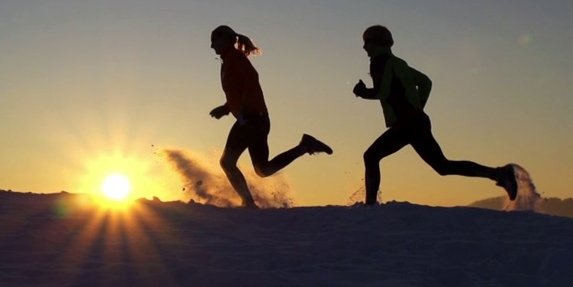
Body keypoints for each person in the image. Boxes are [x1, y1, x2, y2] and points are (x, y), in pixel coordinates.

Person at [352, 25, 518, 206]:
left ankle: (370, 207)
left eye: (366, 42)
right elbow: (425, 82)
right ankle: (498, 174)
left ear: (376, 42)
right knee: (443, 166)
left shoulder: (379, 61)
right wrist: (417, 108)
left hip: (407, 124)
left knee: (371, 156)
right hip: (416, 122)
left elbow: (381, 92)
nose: (364, 48)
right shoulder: (397, 62)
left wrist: (362, 92)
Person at [209, 25, 333, 208]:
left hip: (251, 119)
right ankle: (305, 146)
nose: (212, 46)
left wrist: (242, 109)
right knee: (263, 169)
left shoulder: (235, 59)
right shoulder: (229, 61)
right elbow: (239, 89)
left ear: (227, 40)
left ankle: (249, 203)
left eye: (215, 40)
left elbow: (252, 79)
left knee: (227, 163)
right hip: (257, 119)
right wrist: (227, 108)